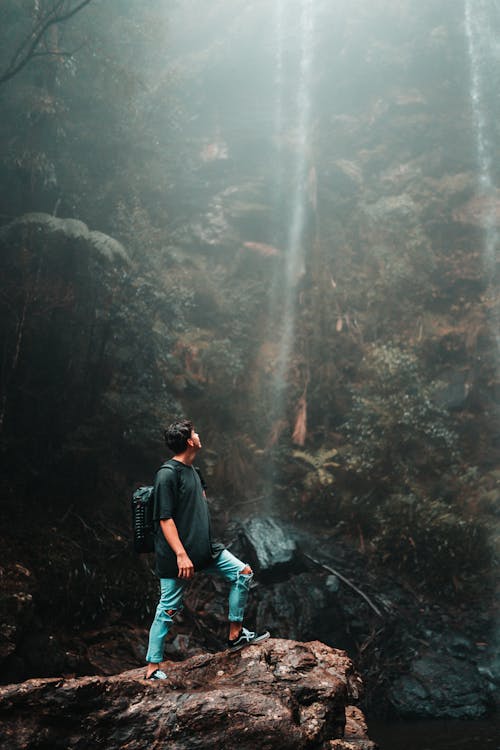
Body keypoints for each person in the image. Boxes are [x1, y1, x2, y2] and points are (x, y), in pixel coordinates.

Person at [145, 418, 269, 680]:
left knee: (243, 573)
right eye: (195, 433)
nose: (199, 435)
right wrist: (180, 554)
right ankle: (153, 666)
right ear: (189, 441)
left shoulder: (194, 472)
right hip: (177, 555)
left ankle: (236, 634)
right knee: (168, 607)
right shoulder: (167, 474)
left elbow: (196, 506)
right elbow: (164, 519)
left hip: (205, 549)